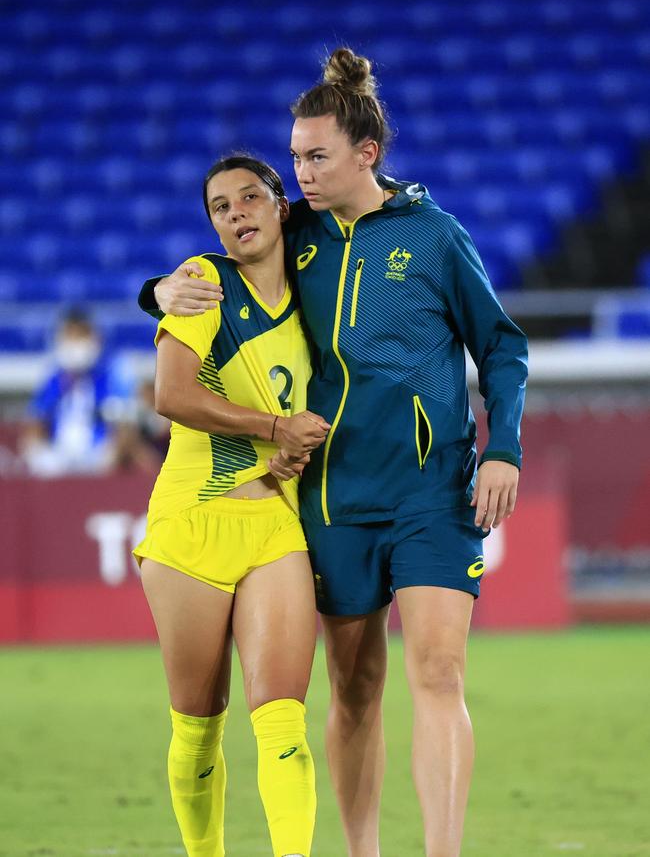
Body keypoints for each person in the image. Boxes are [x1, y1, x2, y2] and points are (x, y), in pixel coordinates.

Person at [139, 49, 528, 857]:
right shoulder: (298, 232)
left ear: (366, 154)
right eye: (294, 159)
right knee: (353, 689)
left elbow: (502, 346)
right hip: (331, 499)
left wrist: (505, 448)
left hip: (431, 490)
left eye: (316, 157)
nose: (300, 174)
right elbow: (217, 263)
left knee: (439, 670)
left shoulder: (434, 236)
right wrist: (152, 292)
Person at [133, 154, 330, 857]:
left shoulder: (317, 293)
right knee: (199, 723)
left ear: (282, 207)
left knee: (283, 720)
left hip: (276, 519)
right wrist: (276, 429)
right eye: (221, 205)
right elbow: (171, 396)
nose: (237, 212)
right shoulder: (204, 281)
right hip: (193, 525)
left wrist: (295, 450)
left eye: (251, 196)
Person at [20, 308, 128, 477]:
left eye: (81, 336)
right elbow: (36, 419)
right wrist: (40, 452)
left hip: (98, 455)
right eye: (70, 336)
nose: (76, 343)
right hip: (58, 456)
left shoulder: (112, 375)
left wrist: (109, 454)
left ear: (95, 339)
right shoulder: (53, 378)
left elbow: (123, 421)